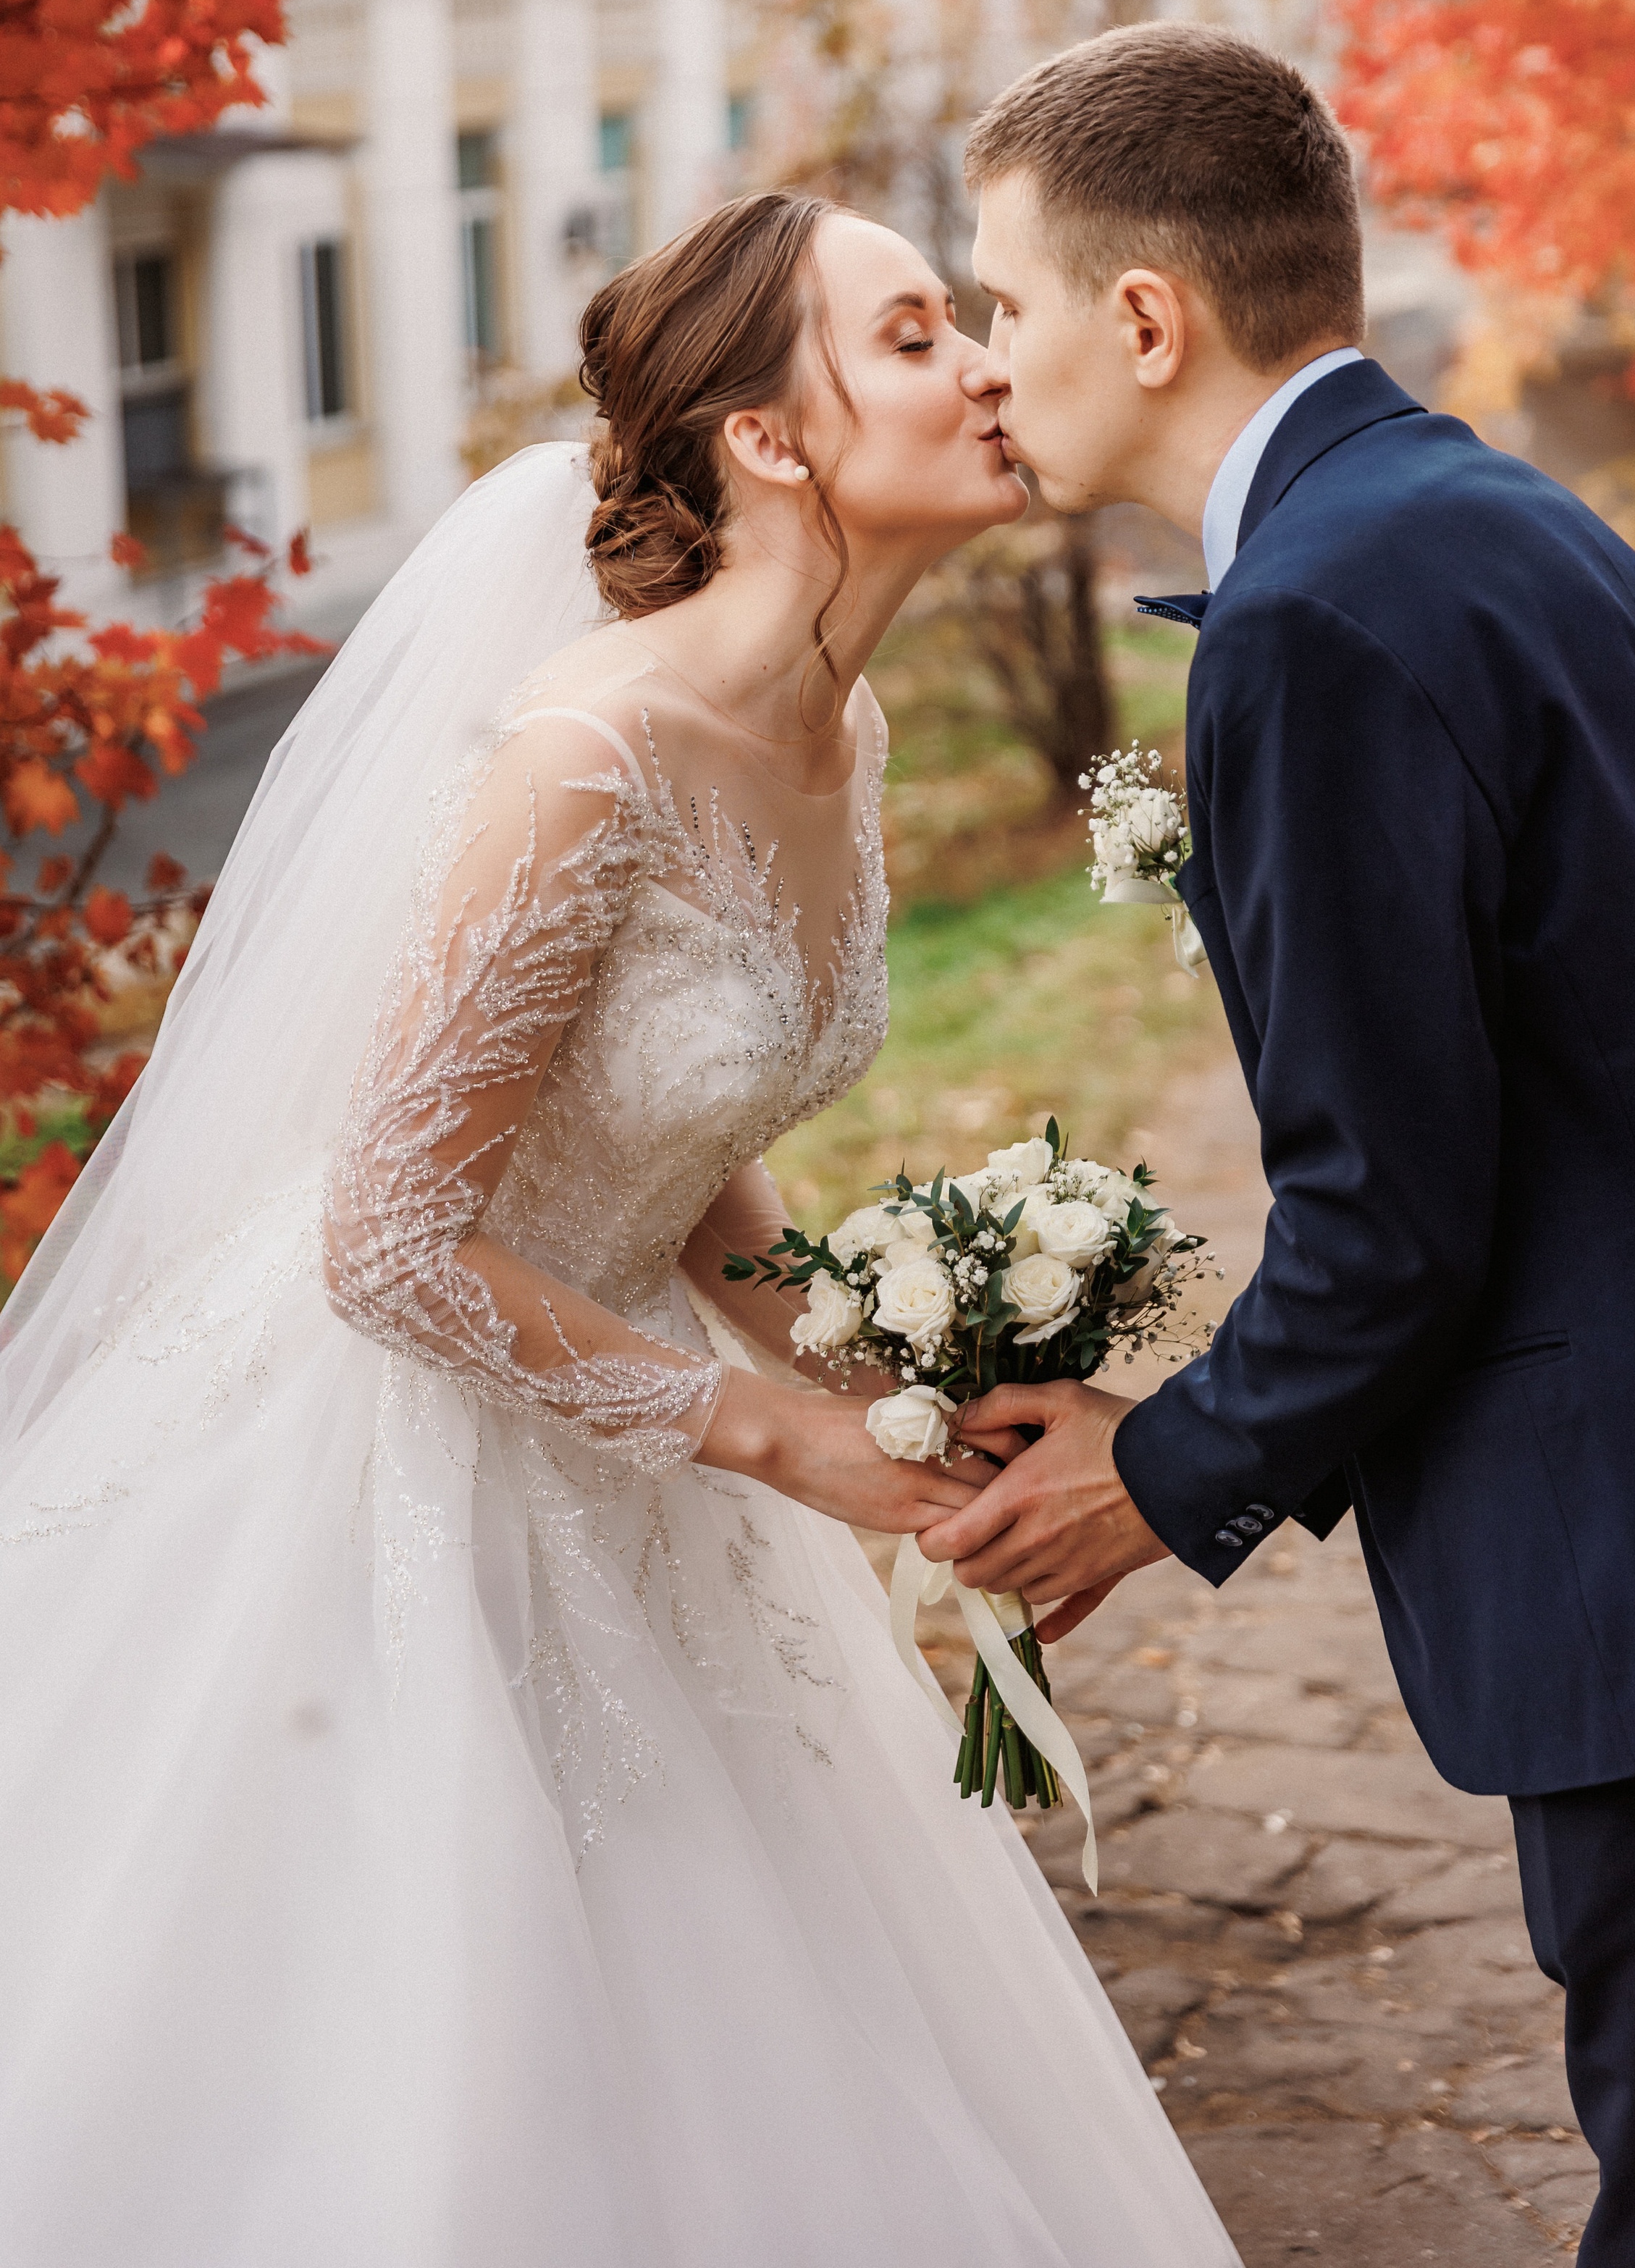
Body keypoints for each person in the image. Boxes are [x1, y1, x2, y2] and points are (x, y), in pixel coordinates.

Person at [0, 190, 1236, 2268]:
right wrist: (776, 1441)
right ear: (769, 437)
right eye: (919, 332)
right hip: (374, 1459)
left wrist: (895, 1396)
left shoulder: (837, 732)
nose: (986, 366)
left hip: (626, 1424)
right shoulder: (584, 754)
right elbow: (388, 1244)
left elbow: (687, 1162)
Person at [925, 21, 1635, 2264]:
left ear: (1144, 319)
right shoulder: (1506, 513)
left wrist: (1137, 1489)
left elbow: (1391, 1224)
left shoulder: (1316, 627)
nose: (984, 356)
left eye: (1002, 299)